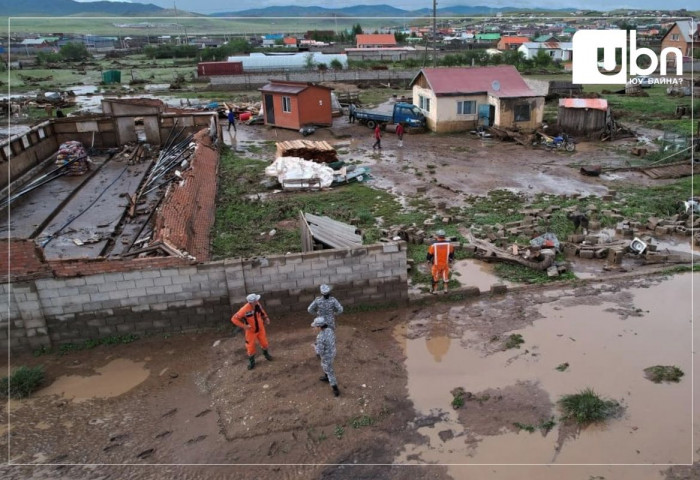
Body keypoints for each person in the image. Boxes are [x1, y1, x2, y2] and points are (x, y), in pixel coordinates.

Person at [230, 293, 273, 370]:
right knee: (250, 347)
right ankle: (252, 362)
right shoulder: (244, 310)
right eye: (256, 300)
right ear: (251, 302)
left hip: (260, 328)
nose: (257, 301)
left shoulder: (258, 305)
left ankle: (267, 355)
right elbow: (234, 319)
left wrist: (266, 318)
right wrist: (244, 326)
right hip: (251, 332)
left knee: (264, 343)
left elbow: (262, 311)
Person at [312, 316, 340, 397]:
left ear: (319, 327)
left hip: (327, 356)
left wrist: (315, 346)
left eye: (315, 326)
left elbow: (319, 352)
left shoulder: (320, 337)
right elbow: (333, 339)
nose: (314, 328)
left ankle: (335, 388)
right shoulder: (330, 330)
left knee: (329, 370)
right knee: (325, 366)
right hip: (333, 352)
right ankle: (326, 376)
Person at [427, 230, 455, 294]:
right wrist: (450, 260)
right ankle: (445, 290)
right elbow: (451, 254)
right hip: (445, 264)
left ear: (437, 236)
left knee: (435, 277)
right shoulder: (449, 245)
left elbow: (429, 255)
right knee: (445, 276)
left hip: (436, 265)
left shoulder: (433, 246)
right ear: (444, 236)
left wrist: (428, 260)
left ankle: (434, 291)